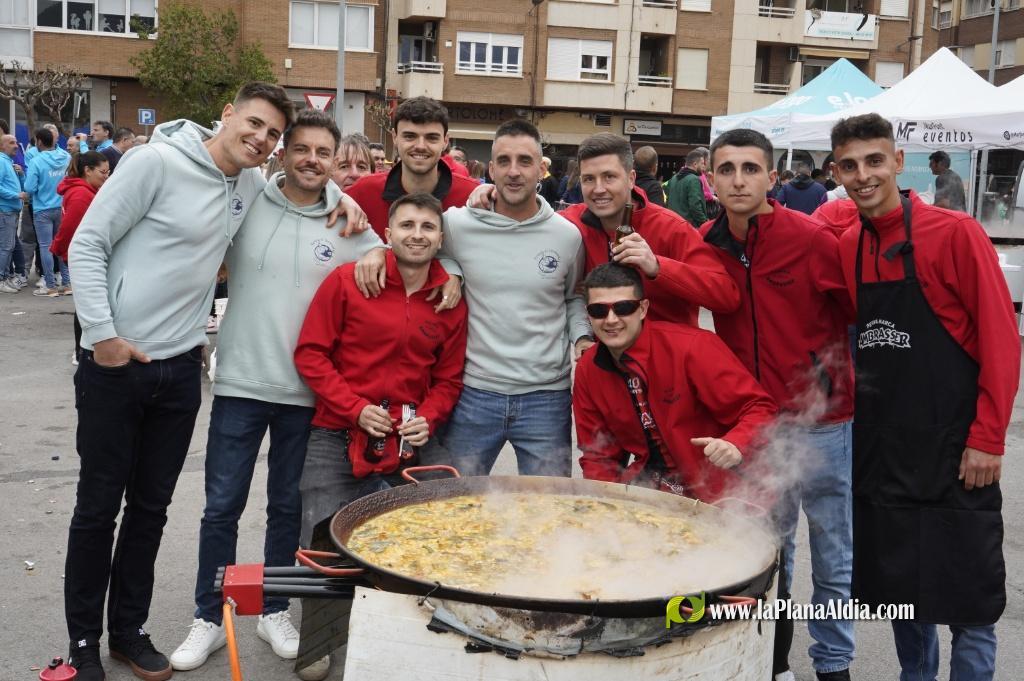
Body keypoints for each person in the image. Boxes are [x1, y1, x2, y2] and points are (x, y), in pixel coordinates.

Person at [63, 82, 347, 681]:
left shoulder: (247, 185)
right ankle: (84, 640)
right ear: (226, 114)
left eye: (271, 134)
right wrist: (102, 333)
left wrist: (350, 200)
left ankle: (129, 633)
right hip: (116, 362)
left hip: (180, 368)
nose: (262, 140)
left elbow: (309, 188)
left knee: (150, 509)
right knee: (97, 509)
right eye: (255, 125)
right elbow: (88, 243)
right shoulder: (154, 162)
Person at [166, 110, 381, 676]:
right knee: (222, 507)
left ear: (335, 161)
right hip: (240, 381)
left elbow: (395, 257)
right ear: (282, 153)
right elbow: (198, 153)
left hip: (308, 392)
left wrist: (354, 207)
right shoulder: (247, 200)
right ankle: (209, 617)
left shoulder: (348, 222)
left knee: (286, 507)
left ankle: (276, 608)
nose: (312, 160)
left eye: (324, 153)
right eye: (302, 149)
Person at [829, 113, 1018, 681]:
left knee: (969, 597)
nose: (863, 176)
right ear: (836, 171)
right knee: (900, 591)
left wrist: (988, 438)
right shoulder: (847, 247)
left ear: (898, 162)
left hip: (959, 449)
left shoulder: (957, 233)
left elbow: (1002, 344)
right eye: (850, 165)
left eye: (874, 160)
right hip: (884, 453)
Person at [701, 128, 856, 681]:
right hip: (758, 424)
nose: (738, 179)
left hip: (824, 423)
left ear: (772, 176)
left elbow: (861, 314)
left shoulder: (812, 238)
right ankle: (776, 661)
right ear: (711, 178)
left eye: (749, 168)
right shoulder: (707, 242)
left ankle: (834, 662)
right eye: (726, 169)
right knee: (772, 552)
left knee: (835, 556)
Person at [293, 192, 468, 680]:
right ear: (387, 234)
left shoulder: (449, 298)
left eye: (428, 227)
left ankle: (414, 641)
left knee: (429, 537)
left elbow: (449, 378)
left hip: (413, 437)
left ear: (439, 239)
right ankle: (318, 648)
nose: (417, 234)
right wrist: (354, 409)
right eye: (407, 225)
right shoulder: (349, 280)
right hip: (338, 431)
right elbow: (311, 354)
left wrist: (429, 417)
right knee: (327, 538)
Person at [439, 118, 592, 477]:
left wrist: (583, 336)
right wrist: (451, 269)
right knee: (456, 509)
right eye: (503, 161)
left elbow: (572, 298)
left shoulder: (566, 236)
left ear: (541, 169)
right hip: (474, 393)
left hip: (546, 398)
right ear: (490, 169)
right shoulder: (456, 225)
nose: (513, 171)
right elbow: (416, 250)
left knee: (546, 512)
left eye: (524, 161)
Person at [573, 263, 777, 500]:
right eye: (599, 310)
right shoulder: (589, 368)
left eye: (623, 307)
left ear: (643, 309)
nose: (611, 319)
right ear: (588, 314)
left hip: (723, 490)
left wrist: (735, 443)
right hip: (652, 489)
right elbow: (599, 455)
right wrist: (605, 504)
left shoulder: (693, 348)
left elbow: (761, 409)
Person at [561, 133, 740, 327]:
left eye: (609, 177)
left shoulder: (672, 229)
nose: (598, 189)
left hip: (667, 354)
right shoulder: (569, 224)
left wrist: (657, 266)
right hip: (603, 353)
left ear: (631, 179)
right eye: (589, 179)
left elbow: (726, 296)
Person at [345, 97, 479, 241]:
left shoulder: (471, 197)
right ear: (395, 137)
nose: (420, 146)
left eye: (431, 138)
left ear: (445, 141)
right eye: (410, 136)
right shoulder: (363, 192)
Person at [51, 151, 109, 363]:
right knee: (86, 305)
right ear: (88, 170)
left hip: (79, 255)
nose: (106, 176)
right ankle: (81, 351)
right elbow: (69, 228)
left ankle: (83, 351)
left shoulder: (83, 190)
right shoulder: (81, 194)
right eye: (103, 172)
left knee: (86, 304)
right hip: (83, 257)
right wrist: (59, 248)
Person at [24, 127, 72, 296]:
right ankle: (67, 284)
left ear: (39, 141)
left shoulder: (36, 161)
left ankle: (50, 286)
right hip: (62, 207)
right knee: (62, 245)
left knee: (46, 247)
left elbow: (29, 187)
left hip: (42, 208)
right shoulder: (66, 157)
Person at [0, 134, 21, 294]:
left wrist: (20, 174)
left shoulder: (8, 162)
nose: (16, 145)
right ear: (2, 146)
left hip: (11, 211)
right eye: (11, 143)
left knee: (9, 246)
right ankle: (1, 280)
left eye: (16, 142)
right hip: (5, 210)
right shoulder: (1, 161)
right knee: (6, 247)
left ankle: (5, 277)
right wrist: (17, 195)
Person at [667, 148, 708, 226]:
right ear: (695, 164)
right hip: (689, 227)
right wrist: (704, 222)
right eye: (702, 163)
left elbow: (668, 200)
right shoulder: (694, 179)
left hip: (673, 223)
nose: (704, 166)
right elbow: (695, 206)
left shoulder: (674, 178)